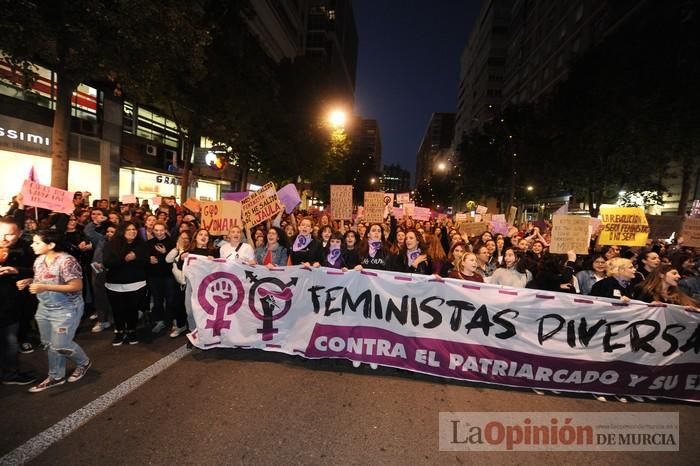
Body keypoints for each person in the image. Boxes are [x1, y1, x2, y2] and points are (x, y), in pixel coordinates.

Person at [18, 230, 91, 393]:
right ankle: (56, 376)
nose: (32, 245)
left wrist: (44, 287)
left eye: (37, 242)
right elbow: (41, 280)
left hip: (66, 310)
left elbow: (76, 286)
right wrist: (29, 281)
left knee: (61, 344)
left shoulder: (67, 261)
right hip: (44, 309)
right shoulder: (39, 260)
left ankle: (83, 362)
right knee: (50, 344)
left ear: (51, 245)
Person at [0, 214, 37, 386]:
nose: (3, 238)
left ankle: (10, 374)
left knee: (10, 340)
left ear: (20, 233)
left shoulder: (27, 249)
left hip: (12, 304)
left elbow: (37, 270)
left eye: (9, 234)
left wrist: (18, 271)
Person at [103, 222, 149, 346]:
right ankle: (119, 331)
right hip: (115, 284)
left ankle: (132, 331)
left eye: (134, 229)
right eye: (128, 229)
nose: (132, 231)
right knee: (118, 310)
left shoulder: (141, 245)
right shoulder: (111, 245)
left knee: (132, 309)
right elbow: (107, 263)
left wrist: (136, 257)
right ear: (122, 231)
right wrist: (124, 259)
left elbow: (146, 261)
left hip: (136, 283)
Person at [147, 222, 176, 334]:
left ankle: (170, 320)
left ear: (165, 230)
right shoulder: (149, 243)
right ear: (153, 231)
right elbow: (144, 257)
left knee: (170, 299)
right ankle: (159, 321)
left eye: (161, 230)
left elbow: (174, 259)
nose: (159, 233)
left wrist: (165, 253)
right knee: (157, 299)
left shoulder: (172, 242)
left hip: (169, 275)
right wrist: (148, 258)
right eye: (156, 230)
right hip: (154, 276)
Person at [634, 264, 700, 310]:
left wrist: (686, 309)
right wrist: (648, 306)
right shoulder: (644, 290)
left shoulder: (676, 293)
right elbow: (635, 309)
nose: (679, 276)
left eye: (678, 274)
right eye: (674, 273)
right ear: (661, 275)